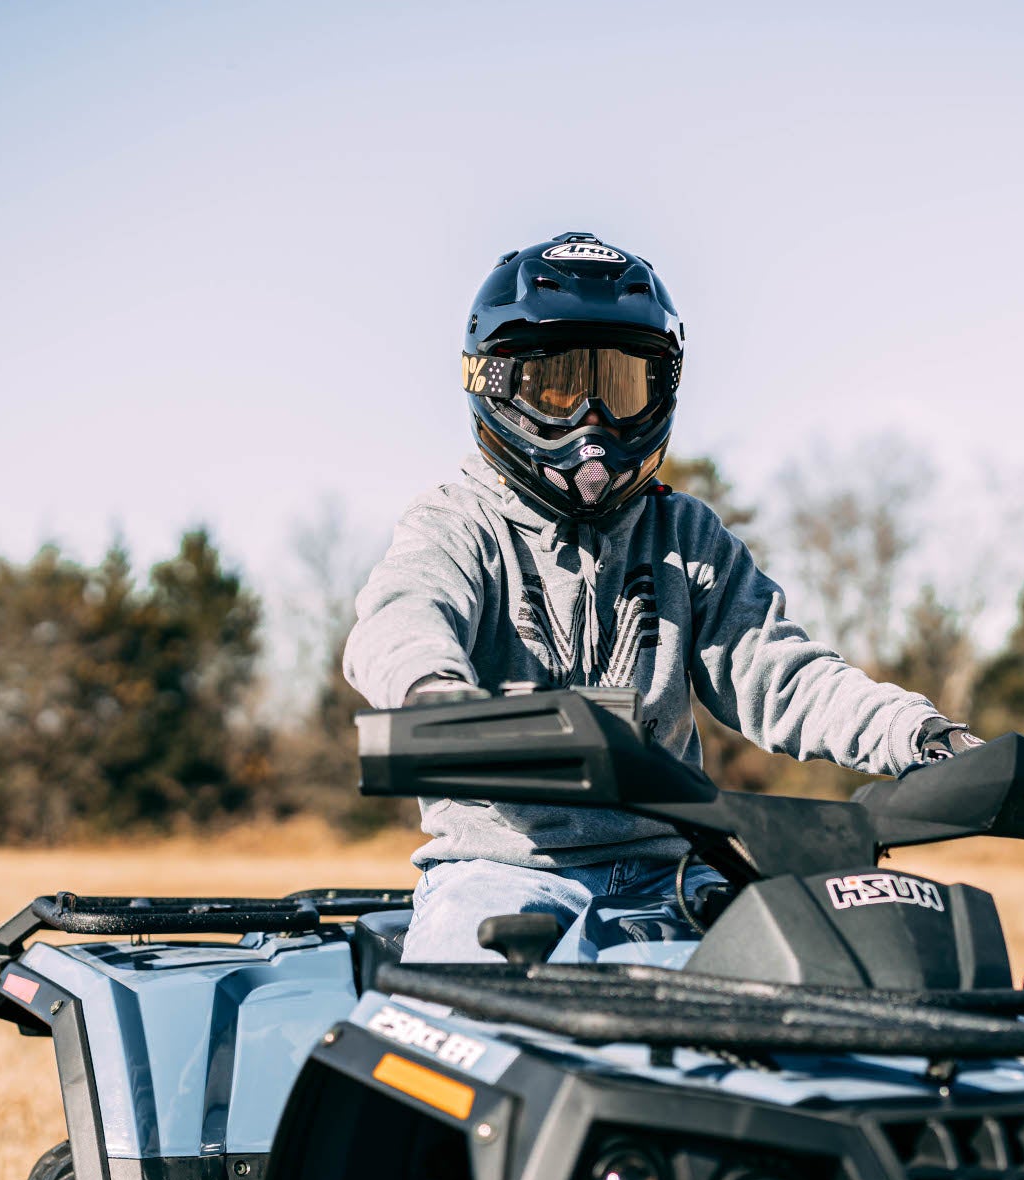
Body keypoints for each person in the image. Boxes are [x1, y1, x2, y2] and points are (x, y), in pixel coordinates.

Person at [342, 231, 978, 963]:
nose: (591, 423)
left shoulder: (684, 535)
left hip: (674, 871)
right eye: (557, 387)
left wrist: (923, 736)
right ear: (495, 385)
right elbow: (400, 618)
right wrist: (433, 697)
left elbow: (783, 674)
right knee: (458, 1018)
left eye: (619, 389)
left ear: (662, 388)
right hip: (505, 873)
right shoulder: (459, 522)